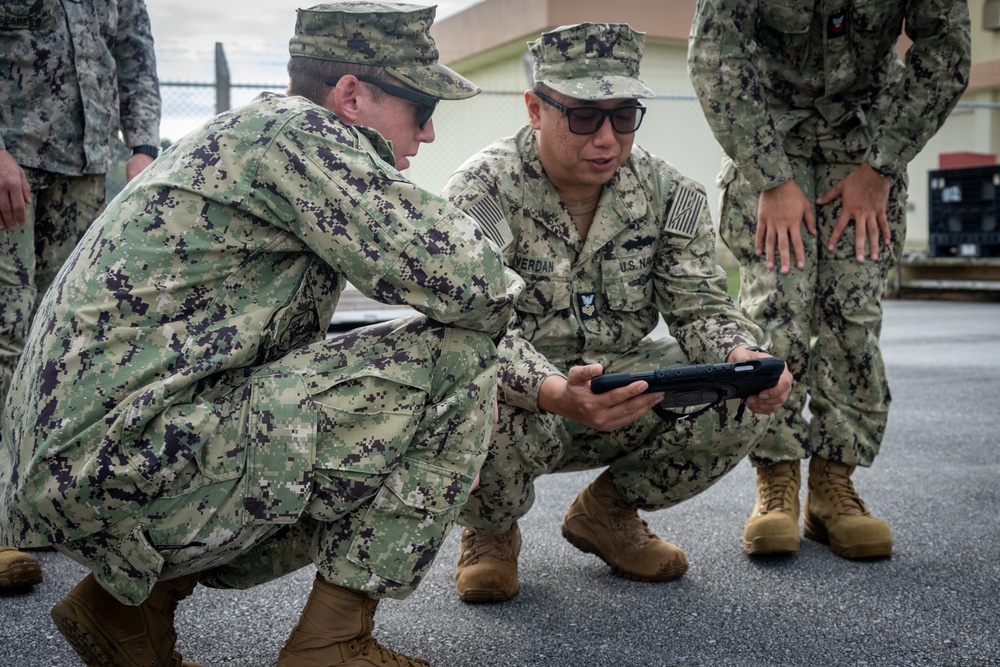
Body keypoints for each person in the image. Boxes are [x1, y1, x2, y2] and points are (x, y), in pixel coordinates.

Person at [0, 2, 522, 666]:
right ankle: (333, 643)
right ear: (352, 95)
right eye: (421, 109)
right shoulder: (303, 137)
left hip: (88, 465)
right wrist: (488, 396)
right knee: (457, 364)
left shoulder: (258, 133)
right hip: (117, 461)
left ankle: (129, 610)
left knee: (366, 391)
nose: (428, 134)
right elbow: (470, 277)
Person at [442, 22, 793, 604]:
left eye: (623, 115)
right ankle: (490, 531)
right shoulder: (482, 192)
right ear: (535, 108)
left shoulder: (668, 193)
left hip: (622, 383)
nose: (606, 137)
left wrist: (739, 354)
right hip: (527, 396)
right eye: (583, 116)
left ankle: (609, 512)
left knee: (741, 385)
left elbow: (699, 304)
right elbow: (475, 331)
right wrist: (552, 389)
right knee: (467, 384)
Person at [688, 2, 971, 558]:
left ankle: (833, 487)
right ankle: (776, 481)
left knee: (854, 317)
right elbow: (715, 52)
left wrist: (881, 167)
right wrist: (770, 177)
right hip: (770, 134)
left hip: (866, 141)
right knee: (775, 312)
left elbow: (947, 50)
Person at [0, 0, 161, 593]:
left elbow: (134, 51)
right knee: (4, 335)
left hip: (88, 166)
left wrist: (143, 144)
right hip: (10, 156)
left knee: (70, 338)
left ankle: (46, 506)